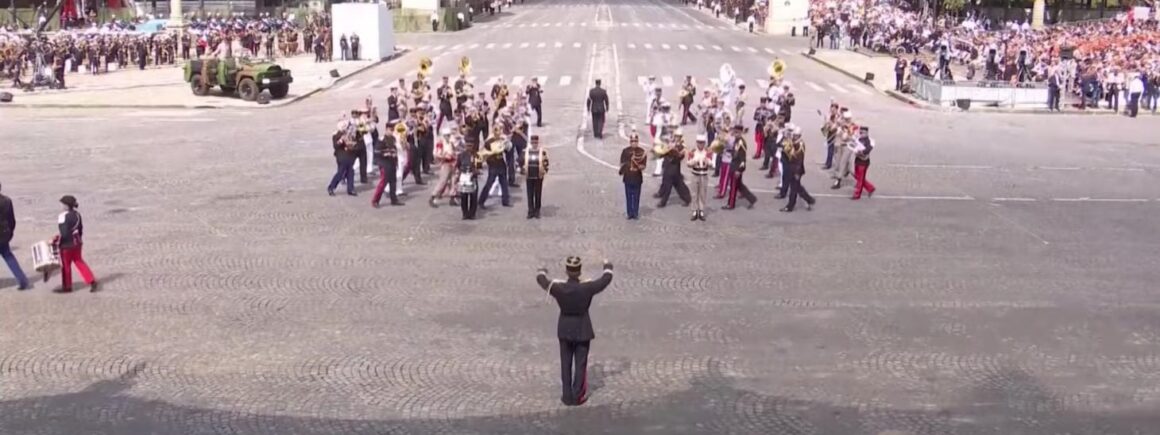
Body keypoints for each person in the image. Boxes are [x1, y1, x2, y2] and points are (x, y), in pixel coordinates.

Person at [535, 256, 614, 406]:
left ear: (566, 271)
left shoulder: (558, 288)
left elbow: (542, 281)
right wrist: (607, 266)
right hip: (582, 328)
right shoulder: (587, 287)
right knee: (580, 364)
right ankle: (578, 395)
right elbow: (605, 280)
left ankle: (566, 395)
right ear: (579, 271)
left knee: (565, 363)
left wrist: (542, 270)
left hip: (564, 328)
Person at [54, 195, 98, 293]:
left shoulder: (62, 216)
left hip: (66, 245)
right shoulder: (77, 214)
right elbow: (80, 229)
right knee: (79, 262)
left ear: (66, 205)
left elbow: (64, 233)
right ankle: (91, 280)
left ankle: (67, 287)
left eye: (62, 204)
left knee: (66, 266)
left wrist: (56, 240)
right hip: (77, 242)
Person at [0, 182, 31, 290]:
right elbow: (11, 220)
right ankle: (22, 280)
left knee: (8, 256)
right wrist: (10, 232)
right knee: (8, 257)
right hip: (4, 233)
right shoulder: (7, 201)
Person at [780, 126, 814, 212]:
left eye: (795, 135)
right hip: (792, 168)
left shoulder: (800, 145)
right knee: (797, 187)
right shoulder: (794, 142)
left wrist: (797, 173)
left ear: (798, 135)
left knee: (793, 189)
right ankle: (809, 199)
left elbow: (799, 160)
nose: (793, 136)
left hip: (796, 170)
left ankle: (790, 206)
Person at [722, 124, 757, 210]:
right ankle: (752, 198)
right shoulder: (737, 140)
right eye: (734, 131)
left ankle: (731, 204)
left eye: (736, 132)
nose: (734, 133)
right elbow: (735, 152)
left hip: (736, 167)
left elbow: (742, 158)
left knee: (733, 187)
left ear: (740, 132)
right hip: (734, 164)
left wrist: (739, 170)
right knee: (739, 186)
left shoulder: (741, 142)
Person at [372, 122, 405, 208]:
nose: (392, 132)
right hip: (384, 163)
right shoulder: (381, 139)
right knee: (383, 183)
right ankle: (375, 200)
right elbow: (377, 152)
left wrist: (395, 158)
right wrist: (386, 154)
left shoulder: (393, 138)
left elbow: (395, 149)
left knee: (393, 182)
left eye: (393, 130)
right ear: (386, 129)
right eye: (391, 130)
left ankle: (393, 199)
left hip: (392, 163)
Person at [619, 132, 647, 220]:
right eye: (632, 141)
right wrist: (626, 166)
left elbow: (644, 165)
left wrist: (639, 167)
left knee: (636, 196)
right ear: (630, 142)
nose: (634, 143)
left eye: (635, 141)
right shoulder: (625, 151)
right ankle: (629, 213)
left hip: (637, 177)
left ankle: (635, 212)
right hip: (628, 176)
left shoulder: (641, 152)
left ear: (637, 142)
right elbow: (621, 163)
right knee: (628, 196)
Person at [328, 120, 358, 197]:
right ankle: (331, 187)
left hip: (350, 155)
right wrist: (341, 140)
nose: (345, 128)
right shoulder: (336, 135)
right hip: (341, 156)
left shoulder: (349, 134)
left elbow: (354, 143)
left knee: (351, 173)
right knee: (340, 173)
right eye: (344, 126)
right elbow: (336, 146)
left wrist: (351, 145)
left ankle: (350, 189)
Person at [686, 135, 712, 221]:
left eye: (702, 143)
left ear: (704, 143)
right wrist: (694, 161)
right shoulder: (693, 152)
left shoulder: (707, 152)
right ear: (697, 142)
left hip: (704, 174)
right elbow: (688, 163)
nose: (700, 144)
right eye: (699, 142)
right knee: (694, 193)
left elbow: (712, 164)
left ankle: (701, 210)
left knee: (702, 193)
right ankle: (694, 210)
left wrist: (707, 161)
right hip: (695, 174)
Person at [524, 135, 549, 219]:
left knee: (538, 194)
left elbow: (546, 162)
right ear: (531, 143)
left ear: (537, 143)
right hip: (529, 176)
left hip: (538, 176)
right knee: (530, 194)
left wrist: (544, 171)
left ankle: (537, 210)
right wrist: (522, 169)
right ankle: (530, 211)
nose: (534, 144)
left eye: (535, 142)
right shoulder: (526, 152)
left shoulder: (542, 152)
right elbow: (520, 161)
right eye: (533, 142)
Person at [456, 141, 482, 219]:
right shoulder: (461, 155)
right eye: (468, 146)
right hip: (464, 177)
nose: (469, 148)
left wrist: (476, 171)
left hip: (472, 177)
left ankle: (472, 213)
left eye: (471, 146)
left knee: (473, 196)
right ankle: (465, 213)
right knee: (464, 196)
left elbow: (479, 166)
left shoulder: (476, 155)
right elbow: (458, 165)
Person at [851, 126, 876, 200]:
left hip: (864, 162)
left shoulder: (869, 141)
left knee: (860, 179)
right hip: (857, 160)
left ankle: (857, 195)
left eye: (862, 133)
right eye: (860, 132)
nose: (861, 134)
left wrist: (860, 151)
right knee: (857, 177)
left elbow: (868, 150)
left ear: (866, 133)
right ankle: (870, 188)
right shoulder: (859, 139)